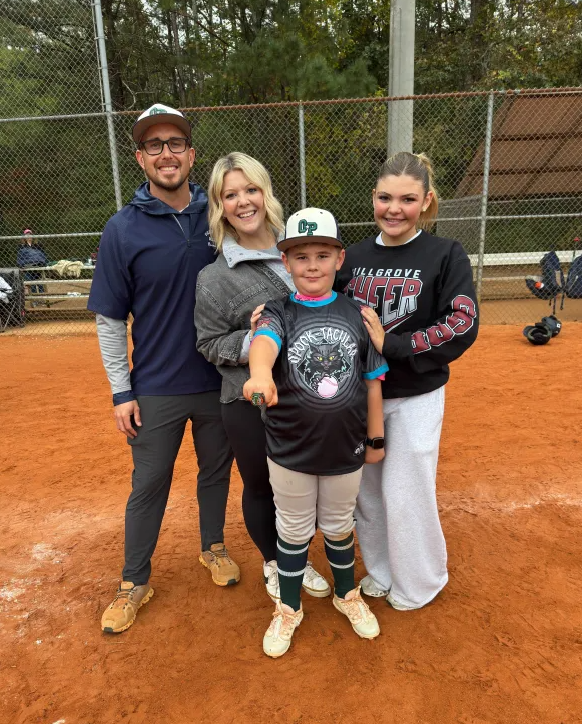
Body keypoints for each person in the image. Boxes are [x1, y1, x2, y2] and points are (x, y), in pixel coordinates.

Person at [87, 103, 238, 634]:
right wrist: (120, 391)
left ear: (192, 155)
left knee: (216, 472)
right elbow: (110, 319)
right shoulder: (122, 229)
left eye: (175, 143)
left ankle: (213, 547)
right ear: (140, 158)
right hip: (154, 386)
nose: (166, 153)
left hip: (219, 379)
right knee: (149, 483)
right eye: (154, 145)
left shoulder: (221, 216)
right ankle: (134, 581)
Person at [335, 151, 479, 611]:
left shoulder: (445, 254)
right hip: (361, 394)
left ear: (427, 201)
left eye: (407, 199)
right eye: (384, 197)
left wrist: (392, 345)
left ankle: (422, 580)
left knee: (406, 489)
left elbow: (461, 322)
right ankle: (380, 569)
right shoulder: (352, 257)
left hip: (416, 393)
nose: (393, 208)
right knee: (367, 492)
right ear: (373, 199)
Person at [243, 208, 388, 658]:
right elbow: (264, 344)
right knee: (293, 530)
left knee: (340, 526)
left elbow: (372, 381)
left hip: (346, 446)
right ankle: (289, 607)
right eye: (300, 255)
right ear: (285, 262)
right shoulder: (276, 313)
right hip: (290, 449)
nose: (311, 264)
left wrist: (377, 438)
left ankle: (347, 595)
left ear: (339, 259)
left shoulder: (358, 313)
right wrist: (261, 374)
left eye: (322, 254)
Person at [195, 153, 330, 602]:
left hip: (312, 391)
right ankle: (277, 563)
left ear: (265, 192)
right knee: (262, 486)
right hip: (246, 400)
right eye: (230, 194)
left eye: (250, 189)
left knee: (305, 483)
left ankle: (297, 555)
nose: (243, 201)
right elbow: (209, 344)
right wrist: (251, 340)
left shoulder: (301, 246)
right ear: (219, 206)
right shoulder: (213, 277)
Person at [17, 229, 48, 295]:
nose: (29, 236)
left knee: (40, 284)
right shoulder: (21, 246)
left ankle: (42, 298)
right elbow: (20, 257)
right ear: (24, 237)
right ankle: (35, 300)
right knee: (32, 285)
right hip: (28, 268)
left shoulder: (37, 245)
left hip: (37, 267)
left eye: (30, 234)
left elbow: (42, 255)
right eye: (27, 235)